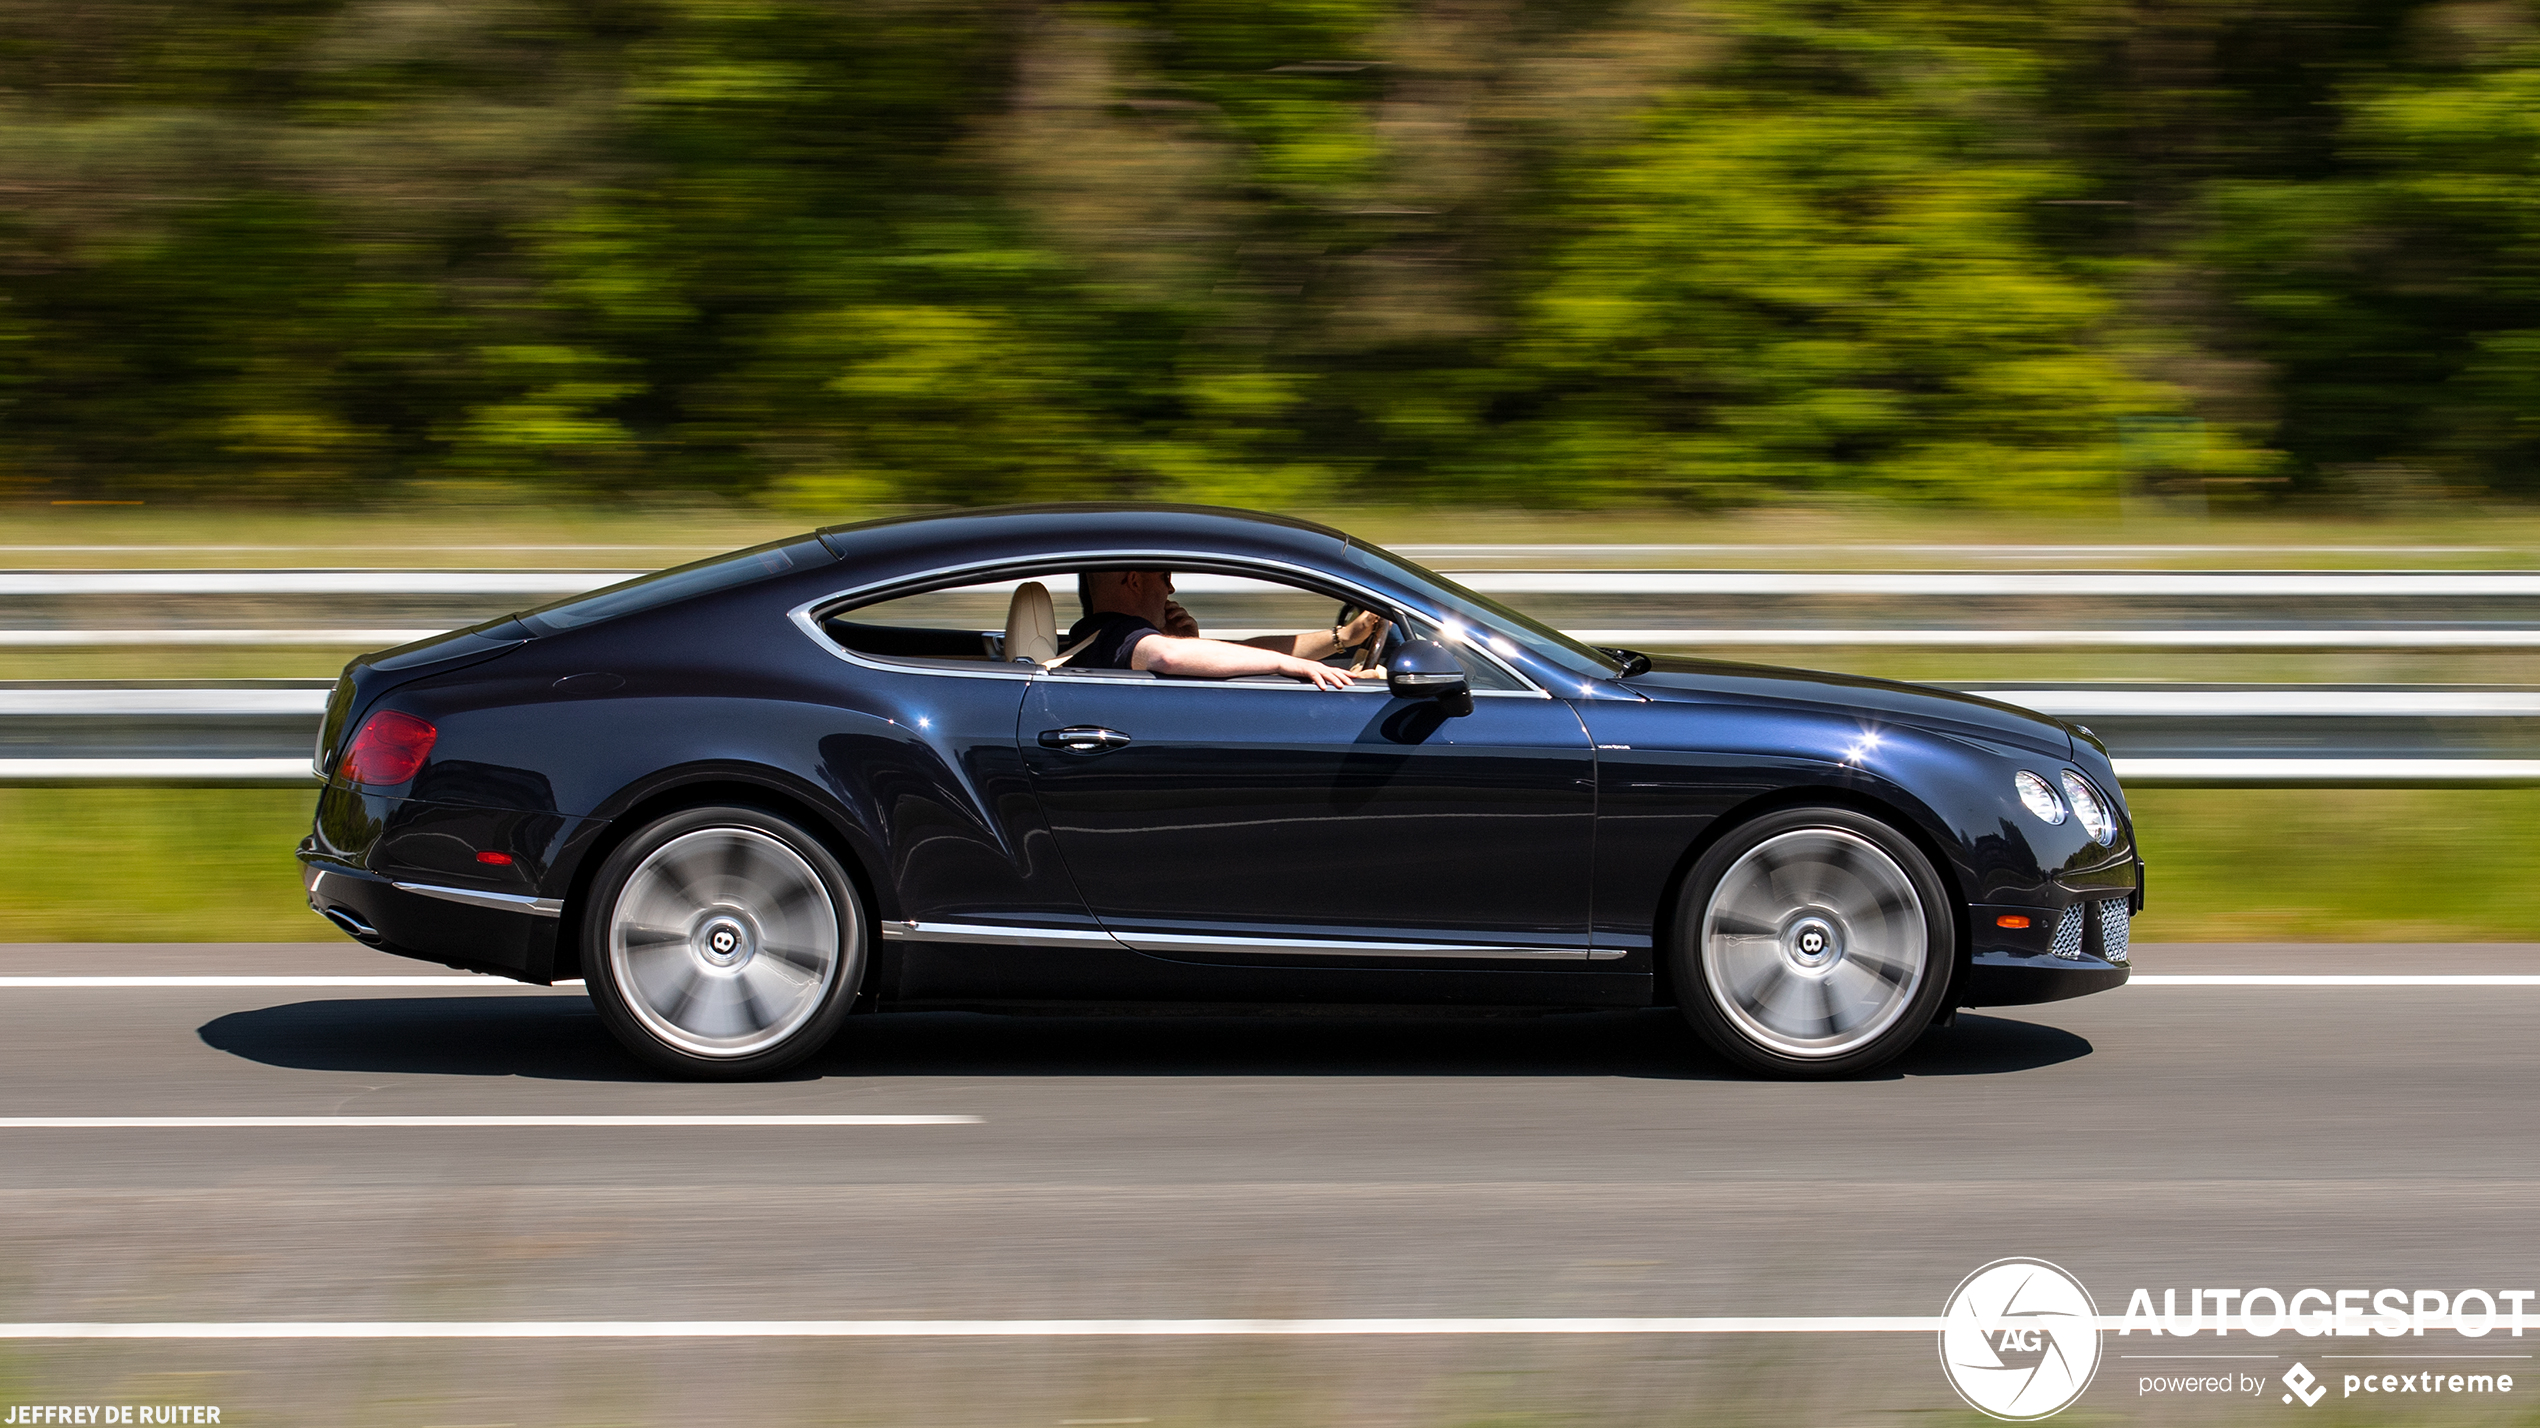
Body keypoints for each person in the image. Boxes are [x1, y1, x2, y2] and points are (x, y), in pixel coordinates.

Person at [1066, 570, 1388, 690]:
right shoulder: (1117, 633)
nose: (1171, 588)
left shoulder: (1099, 634)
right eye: (1164, 576)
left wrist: (1344, 637)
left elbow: (1245, 649)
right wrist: (1291, 665)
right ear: (1134, 581)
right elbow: (1168, 655)